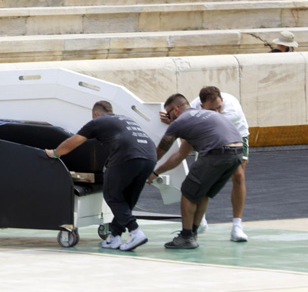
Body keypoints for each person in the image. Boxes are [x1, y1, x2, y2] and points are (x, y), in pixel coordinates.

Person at [45, 101, 157, 251]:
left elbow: (75, 141)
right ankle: (115, 237)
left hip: (127, 156)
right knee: (127, 199)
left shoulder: (98, 122)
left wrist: (54, 153)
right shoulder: (125, 120)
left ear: (96, 114)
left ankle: (135, 231)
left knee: (112, 195)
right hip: (150, 157)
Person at [150, 94, 243, 249]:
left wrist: (146, 169)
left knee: (188, 192)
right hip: (237, 153)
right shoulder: (204, 117)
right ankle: (192, 233)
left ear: (176, 109)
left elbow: (160, 151)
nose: (169, 118)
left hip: (216, 153)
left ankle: (186, 236)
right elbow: (179, 156)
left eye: (168, 114)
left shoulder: (179, 122)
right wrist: (156, 173)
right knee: (202, 193)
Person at [188, 87, 249, 242]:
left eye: (219, 107)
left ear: (222, 100)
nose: (217, 112)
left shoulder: (232, 110)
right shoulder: (193, 106)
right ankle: (200, 220)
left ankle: (237, 227)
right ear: (201, 106)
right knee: (201, 178)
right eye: (211, 110)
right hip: (209, 137)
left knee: (238, 175)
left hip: (236, 135)